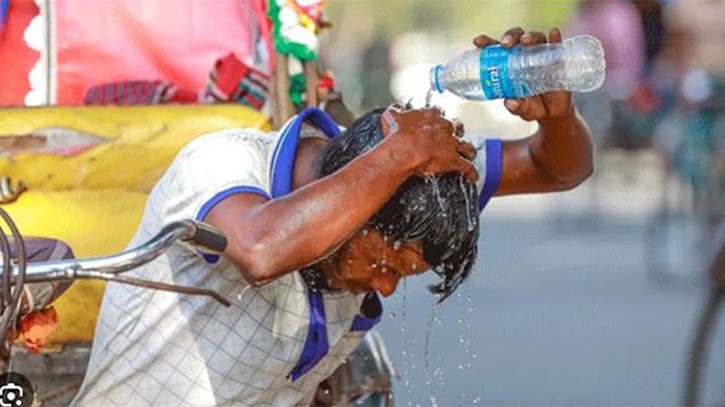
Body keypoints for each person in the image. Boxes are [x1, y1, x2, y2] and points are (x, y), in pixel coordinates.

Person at [71, 28, 593, 406]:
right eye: (386, 263)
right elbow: (261, 250)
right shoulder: (220, 164)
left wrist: (558, 116)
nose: (385, 288)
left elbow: (558, 168)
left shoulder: (416, 182)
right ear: (362, 203)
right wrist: (396, 156)